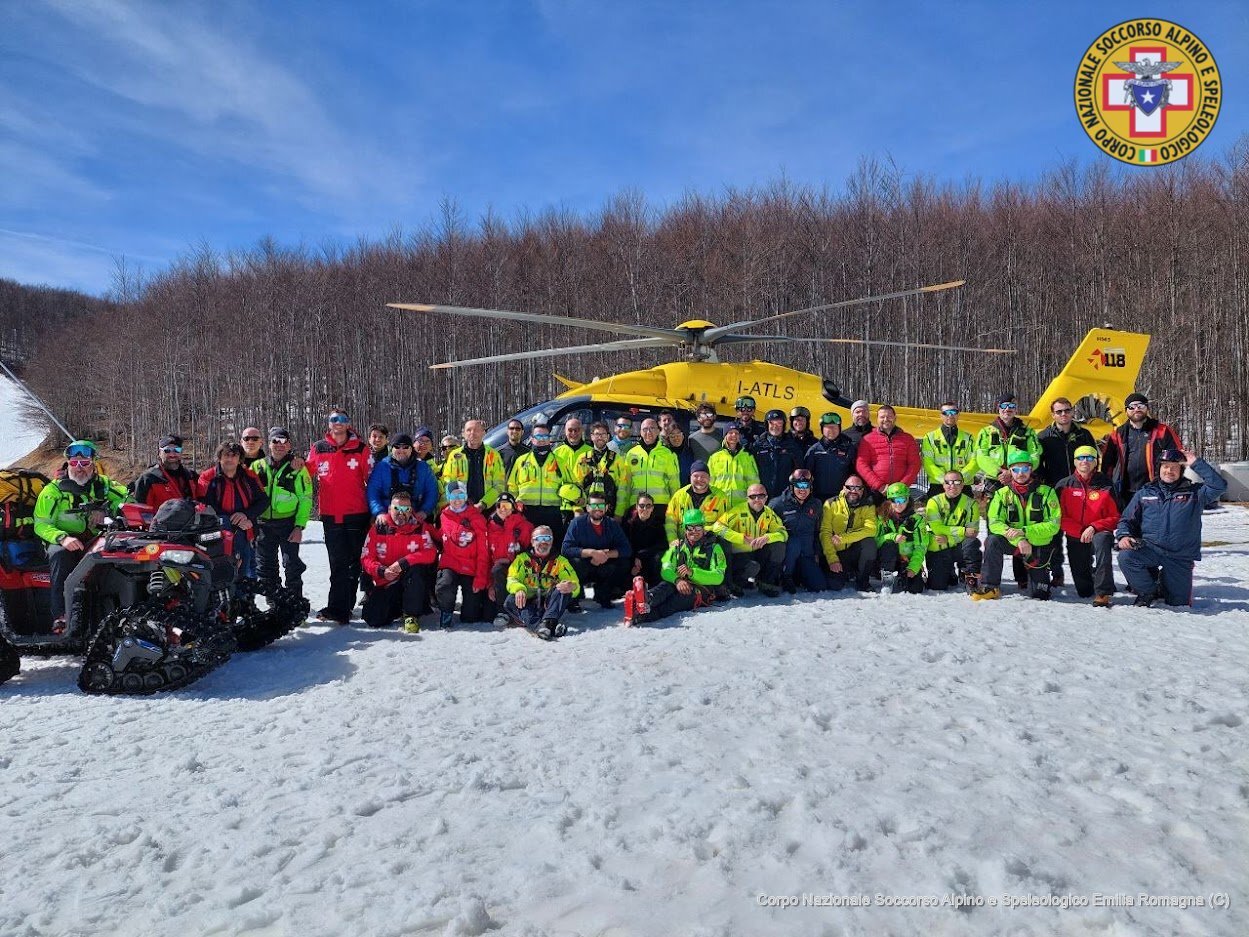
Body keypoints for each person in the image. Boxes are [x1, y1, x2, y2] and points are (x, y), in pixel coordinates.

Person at [33, 440, 127, 629]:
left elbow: (127, 499)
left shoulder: (105, 485)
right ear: (67, 463)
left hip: (97, 537)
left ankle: (119, 612)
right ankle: (62, 616)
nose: (79, 468)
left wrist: (108, 510)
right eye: (74, 463)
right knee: (60, 556)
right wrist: (62, 538)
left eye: (84, 463)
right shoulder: (52, 491)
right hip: (62, 539)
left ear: (93, 463)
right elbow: (41, 525)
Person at [1115, 448, 1226, 607]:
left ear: (1181, 471)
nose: (1169, 471)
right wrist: (1124, 536)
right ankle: (1147, 591)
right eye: (1165, 466)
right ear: (1159, 468)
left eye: (1174, 467)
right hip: (1151, 548)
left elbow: (1219, 486)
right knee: (1126, 557)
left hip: (1180, 555)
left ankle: (1165, 583)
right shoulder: (1145, 493)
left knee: (1178, 603)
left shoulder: (1195, 493)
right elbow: (1126, 520)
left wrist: (1196, 463)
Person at [306, 407, 372, 624]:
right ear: (329, 423)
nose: (338, 423)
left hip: (356, 513)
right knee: (337, 563)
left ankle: (344, 608)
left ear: (348, 423)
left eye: (342, 419)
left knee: (354, 563)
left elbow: (371, 479)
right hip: (330, 515)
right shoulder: (319, 447)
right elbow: (306, 473)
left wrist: (375, 511)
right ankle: (337, 607)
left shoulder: (361, 448)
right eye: (334, 419)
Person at [973, 449, 1061, 601]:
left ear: (1031, 469)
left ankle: (1034, 570)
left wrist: (1024, 532)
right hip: (1014, 543)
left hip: (1038, 545)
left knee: (1040, 594)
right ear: (1010, 472)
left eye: (1025, 468)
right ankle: (990, 586)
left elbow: (1053, 525)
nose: (1021, 473)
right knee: (993, 540)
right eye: (1016, 469)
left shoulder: (1047, 493)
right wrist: (1019, 540)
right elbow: (994, 523)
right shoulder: (1002, 494)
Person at [625, 508, 727, 626]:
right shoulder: (678, 547)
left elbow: (718, 576)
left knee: (676, 601)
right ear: (685, 528)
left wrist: (692, 573)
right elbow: (666, 569)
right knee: (667, 585)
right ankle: (646, 599)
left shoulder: (715, 548)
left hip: (701, 590)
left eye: (698, 527)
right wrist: (677, 580)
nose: (694, 531)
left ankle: (642, 616)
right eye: (690, 527)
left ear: (703, 528)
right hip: (680, 582)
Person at [1037, 396, 1096, 586]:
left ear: (1072, 411)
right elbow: (1038, 466)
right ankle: (1057, 572)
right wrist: (1044, 487)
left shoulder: (1084, 435)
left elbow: (1095, 460)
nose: (1064, 414)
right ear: (1053, 414)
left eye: (1067, 410)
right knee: (1054, 535)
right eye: (1059, 411)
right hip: (1055, 491)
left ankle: (1087, 571)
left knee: (1083, 534)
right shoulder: (1044, 436)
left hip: (1081, 491)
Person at [360, 491, 439, 631]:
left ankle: (411, 614)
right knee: (372, 618)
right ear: (390, 508)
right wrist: (381, 571)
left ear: (411, 510)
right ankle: (398, 609)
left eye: (405, 509)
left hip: (411, 582)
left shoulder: (419, 526)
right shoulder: (378, 527)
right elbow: (366, 558)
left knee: (417, 570)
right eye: (397, 508)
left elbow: (431, 553)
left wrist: (404, 562)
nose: (401, 513)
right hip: (387, 581)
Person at [197, 440, 270, 588]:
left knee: (245, 570)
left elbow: (263, 501)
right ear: (219, 457)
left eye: (234, 455)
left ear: (239, 458)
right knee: (220, 572)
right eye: (226, 455)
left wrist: (247, 515)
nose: (230, 459)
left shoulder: (249, 476)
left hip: (244, 530)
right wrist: (230, 519)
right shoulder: (208, 476)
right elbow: (202, 503)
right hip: (216, 534)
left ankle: (245, 605)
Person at [1054, 445, 1119, 607]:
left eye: (1090, 458)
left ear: (1096, 462)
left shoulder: (1106, 484)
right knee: (1084, 590)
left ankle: (1103, 592)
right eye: (1081, 458)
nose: (1085, 461)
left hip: (1099, 531)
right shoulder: (1064, 485)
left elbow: (1116, 516)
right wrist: (1080, 530)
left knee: (1103, 542)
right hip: (1076, 533)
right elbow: (1057, 516)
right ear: (1075, 462)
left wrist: (1094, 527)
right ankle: (1093, 578)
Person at [253, 427, 312, 600]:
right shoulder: (257, 466)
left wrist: (299, 526)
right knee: (266, 567)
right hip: (263, 524)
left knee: (292, 565)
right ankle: (275, 603)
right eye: (275, 441)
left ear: (289, 445)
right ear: (269, 444)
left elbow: (306, 499)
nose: (279, 445)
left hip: (288, 524)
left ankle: (295, 603)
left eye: (283, 441)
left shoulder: (298, 468)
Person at [1100, 393, 1184, 507]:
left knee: (1151, 522)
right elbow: (1107, 464)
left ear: (1147, 408)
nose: (1136, 409)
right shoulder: (1118, 434)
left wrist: (1174, 485)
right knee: (1127, 522)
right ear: (1126, 411)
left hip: (1155, 489)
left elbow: (1178, 458)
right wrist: (1108, 486)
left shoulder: (1162, 431)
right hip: (1125, 492)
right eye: (1132, 406)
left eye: (1141, 406)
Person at [504, 525, 580, 640]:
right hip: (528, 603)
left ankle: (546, 623)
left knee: (563, 588)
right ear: (532, 541)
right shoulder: (521, 559)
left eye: (547, 538)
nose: (543, 542)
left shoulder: (561, 561)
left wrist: (572, 586)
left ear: (552, 541)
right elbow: (512, 579)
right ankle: (547, 626)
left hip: (549, 605)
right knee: (510, 600)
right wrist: (519, 588)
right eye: (539, 538)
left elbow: (574, 582)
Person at [712, 483, 787, 596]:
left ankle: (765, 583)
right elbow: (717, 527)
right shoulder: (737, 511)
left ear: (766, 497)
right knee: (753, 566)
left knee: (779, 546)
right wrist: (740, 538)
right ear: (747, 498)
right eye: (753, 496)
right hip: (739, 555)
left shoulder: (769, 513)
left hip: (758, 551)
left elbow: (783, 533)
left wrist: (768, 537)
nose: (757, 499)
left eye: (761, 496)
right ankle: (734, 583)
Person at [561, 492, 632, 608]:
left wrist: (606, 555)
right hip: (583, 567)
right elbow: (566, 549)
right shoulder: (577, 523)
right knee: (574, 562)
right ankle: (575, 596)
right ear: (588, 507)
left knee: (623, 562)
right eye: (594, 506)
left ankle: (603, 593)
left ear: (606, 508)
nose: (597, 509)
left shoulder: (612, 524)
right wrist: (592, 553)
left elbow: (626, 549)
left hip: (603, 566)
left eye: (601, 506)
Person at [435, 481, 490, 627]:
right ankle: (446, 611)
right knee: (444, 585)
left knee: (470, 617)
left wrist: (480, 578)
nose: (457, 499)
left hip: (470, 566)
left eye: (461, 495)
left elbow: (483, 551)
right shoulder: (444, 515)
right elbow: (441, 535)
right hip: (450, 563)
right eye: (453, 496)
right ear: (448, 497)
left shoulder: (476, 517)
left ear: (466, 496)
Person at [507, 418, 568, 543]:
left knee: (553, 550)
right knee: (527, 547)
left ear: (549, 439)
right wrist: (515, 506)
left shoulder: (559, 461)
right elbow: (512, 486)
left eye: (545, 436)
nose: (541, 439)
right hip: (527, 513)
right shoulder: (522, 461)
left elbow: (573, 486)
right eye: (538, 436)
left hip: (552, 514)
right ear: (532, 438)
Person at [922, 471, 982, 592]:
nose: (952, 485)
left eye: (957, 482)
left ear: (963, 484)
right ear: (943, 485)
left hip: (959, 547)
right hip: (939, 547)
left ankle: (968, 575)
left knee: (972, 542)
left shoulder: (971, 504)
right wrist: (962, 530)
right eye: (948, 482)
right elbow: (936, 528)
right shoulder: (933, 502)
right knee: (937, 586)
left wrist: (949, 538)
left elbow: (972, 532)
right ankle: (948, 571)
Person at [819, 475, 878, 592]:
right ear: (843, 488)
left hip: (854, 551)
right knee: (834, 585)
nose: (853, 491)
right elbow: (825, 533)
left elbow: (871, 529)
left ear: (862, 490)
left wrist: (844, 538)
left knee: (869, 543)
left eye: (857, 488)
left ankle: (863, 580)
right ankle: (846, 573)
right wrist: (832, 559)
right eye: (850, 487)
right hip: (837, 552)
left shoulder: (869, 505)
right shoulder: (830, 504)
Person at [769, 468, 823, 593]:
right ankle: (785, 576)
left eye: (806, 485)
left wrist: (817, 553)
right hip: (787, 554)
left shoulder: (816, 504)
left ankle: (799, 575)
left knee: (819, 586)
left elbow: (817, 531)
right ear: (792, 486)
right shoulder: (777, 504)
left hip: (806, 554)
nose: (802, 490)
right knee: (794, 542)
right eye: (798, 485)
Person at [974, 394, 1041, 493]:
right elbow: (981, 456)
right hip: (994, 479)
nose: (1007, 409)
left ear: (1015, 409)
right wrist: (998, 472)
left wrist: (1012, 472)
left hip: (1020, 478)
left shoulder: (1028, 432)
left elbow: (1034, 455)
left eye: (1011, 406)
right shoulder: (986, 432)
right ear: (998, 408)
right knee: (994, 507)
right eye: (1004, 406)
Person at [367, 433, 439, 524]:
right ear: (392, 449)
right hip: (387, 517)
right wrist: (379, 512)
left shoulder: (423, 468)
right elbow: (373, 492)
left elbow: (432, 492)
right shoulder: (382, 467)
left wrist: (424, 511)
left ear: (411, 449)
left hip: (415, 516)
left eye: (405, 447)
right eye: (397, 447)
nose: (401, 450)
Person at [621, 418, 680, 522]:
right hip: (637, 506)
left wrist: (675, 508)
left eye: (652, 428)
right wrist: (624, 507)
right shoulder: (631, 454)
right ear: (640, 432)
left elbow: (674, 483)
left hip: (660, 506)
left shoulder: (667, 454)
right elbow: (626, 484)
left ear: (658, 431)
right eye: (645, 429)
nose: (648, 432)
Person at [855, 405, 920, 497]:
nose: (886, 419)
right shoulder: (867, 439)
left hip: (900, 491)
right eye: (882, 417)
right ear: (877, 419)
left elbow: (915, 464)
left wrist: (902, 485)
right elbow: (861, 464)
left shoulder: (908, 439)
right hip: (876, 491)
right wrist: (879, 486)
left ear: (895, 418)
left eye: (889, 416)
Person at [442, 419, 507, 512]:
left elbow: (499, 484)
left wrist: (483, 504)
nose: (472, 433)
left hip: (487, 509)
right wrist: (459, 501)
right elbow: (448, 481)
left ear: (483, 433)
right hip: (460, 508)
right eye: (469, 430)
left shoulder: (493, 455)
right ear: (463, 434)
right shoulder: (454, 455)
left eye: (477, 430)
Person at [485, 493, 533, 619]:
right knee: (484, 615)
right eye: (499, 505)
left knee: (500, 566)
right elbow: (485, 559)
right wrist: (490, 585)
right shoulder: (488, 528)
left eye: (507, 505)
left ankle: (507, 610)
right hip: (497, 576)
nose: (503, 508)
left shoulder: (525, 527)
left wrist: (511, 560)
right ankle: (503, 610)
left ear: (513, 507)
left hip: (520, 573)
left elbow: (532, 555)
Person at [875, 483, 928, 594]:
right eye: (894, 500)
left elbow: (921, 545)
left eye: (902, 500)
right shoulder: (882, 518)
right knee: (889, 544)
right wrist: (892, 536)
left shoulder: (917, 520)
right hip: (885, 558)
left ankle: (903, 576)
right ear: (889, 501)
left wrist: (914, 567)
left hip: (906, 559)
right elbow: (876, 540)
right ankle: (887, 580)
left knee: (915, 589)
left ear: (908, 499)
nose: (898, 504)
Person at [664, 461, 731, 544]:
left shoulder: (721, 497)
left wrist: (707, 530)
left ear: (709, 478)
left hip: (710, 542)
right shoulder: (679, 495)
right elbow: (670, 521)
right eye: (696, 476)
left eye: (703, 476)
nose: (699, 479)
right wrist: (673, 540)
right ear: (690, 478)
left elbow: (725, 523)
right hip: (684, 544)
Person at [574, 422, 632, 518]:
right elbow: (576, 486)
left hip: (609, 511)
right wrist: (577, 510)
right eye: (597, 434)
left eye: (603, 434)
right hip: (586, 511)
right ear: (592, 436)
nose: (600, 437)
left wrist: (619, 514)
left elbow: (622, 489)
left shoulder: (617, 459)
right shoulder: (582, 459)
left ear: (608, 437)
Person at [920, 402, 977, 499]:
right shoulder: (929, 438)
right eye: (946, 412)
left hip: (963, 486)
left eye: (953, 412)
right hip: (938, 486)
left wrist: (959, 480)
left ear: (958, 414)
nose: (950, 415)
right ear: (941, 415)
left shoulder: (969, 438)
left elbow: (975, 461)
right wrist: (945, 480)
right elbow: (927, 462)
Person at [130, 434, 197, 510]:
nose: (172, 454)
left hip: (190, 520)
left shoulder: (191, 476)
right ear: (159, 453)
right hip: (159, 521)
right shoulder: (148, 478)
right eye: (167, 450)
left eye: (177, 450)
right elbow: (141, 513)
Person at [805, 412, 857, 501]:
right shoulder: (814, 451)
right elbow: (806, 475)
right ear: (822, 429)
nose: (832, 430)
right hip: (818, 498)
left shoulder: (848, 449)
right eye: (828, 427)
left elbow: (855, 473)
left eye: (835, 427)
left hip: (841, 498)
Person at [752, 409, 802, 498]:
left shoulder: (792, 446)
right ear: (767, 424)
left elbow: (799, 472)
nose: (775, 426)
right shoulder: (757, 446)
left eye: (779, 423)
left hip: (784, 497)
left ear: (784, 425)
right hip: (761, 497)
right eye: (772, 423)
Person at [707, 425, 760, 506]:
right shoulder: (715, 458)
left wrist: (752, 501)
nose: (734, 435)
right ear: (725, 436)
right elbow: (709, 482)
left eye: (736, 433)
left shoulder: (747, 457)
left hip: (741, 504)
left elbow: (753, 481)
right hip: (719, 503)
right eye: (730, 433)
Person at [623, 493, 667, 586]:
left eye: (648, 506)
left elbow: (662, 545)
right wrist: (634, 558)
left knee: (659, 558)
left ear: (652, 508)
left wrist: (640, 555)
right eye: (642, 506)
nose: (645, 509)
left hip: (648, 558)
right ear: (636, 506)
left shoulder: (657, 524)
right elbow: (624, 544)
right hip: (632, 558)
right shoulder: (628, 524)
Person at [663, 422, 696, 487]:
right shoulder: (663, 454)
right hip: (667, 493)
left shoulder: (689, 453)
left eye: (678, 435)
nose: (676, 438)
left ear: (683, 436)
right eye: (672, 436)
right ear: (668, 439)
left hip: (684, 492)